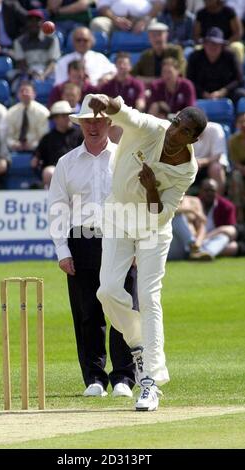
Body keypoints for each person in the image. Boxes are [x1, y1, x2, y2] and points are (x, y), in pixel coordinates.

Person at [88, 94, 207, 411]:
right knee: (108, 291)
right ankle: (138, 345)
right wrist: (106, 103)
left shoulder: (187, 169)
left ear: (193, 139)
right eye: (176, 122)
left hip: (154, 228)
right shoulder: (154, 128)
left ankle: (151, 381)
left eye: (183, 131)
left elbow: (162, 213)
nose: (174, 131)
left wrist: (152, 187)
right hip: (117, 217)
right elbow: (128, 115)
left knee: (149, 296)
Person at [48, 94, 138, 398]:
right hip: (82, 241)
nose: (93, 126)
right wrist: (62, 250)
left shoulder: (125, 157)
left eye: (99, 120)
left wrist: (139, 245)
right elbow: (57, 207)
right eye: (88, 121)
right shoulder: (66, 162)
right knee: (88, 314)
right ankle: (95, 379)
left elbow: (137, 203)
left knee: (123, 310)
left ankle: (124, 378)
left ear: (110, 122)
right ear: (81, 124)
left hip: (121, 239)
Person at [187, 27, 245, 105]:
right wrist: (203, 93)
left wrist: (223, 91)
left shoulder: (230, 56)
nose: (212, 46)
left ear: (222, 46)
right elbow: (190, 80)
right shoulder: (195, 56)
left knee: (240, 94)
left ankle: (240, 117)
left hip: (227, 94)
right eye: (209, 43)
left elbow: (239, 79)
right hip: (200, 95)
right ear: (204, 44)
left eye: (216, 44)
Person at [32, 100, 83, 188]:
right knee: (48, 172)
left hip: (78, 170)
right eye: (64, 116)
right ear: (55, 118)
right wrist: (35, 159)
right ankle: (53, 199)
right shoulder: (47, 138)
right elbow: (37, 158)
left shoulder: (80, 134)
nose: (67, 118)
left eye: (69, 115)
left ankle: (77, 199)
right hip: (56, 172)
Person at [132, 20, 185, 85]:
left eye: (160, 34)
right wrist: (154, 80)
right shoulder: (146, 55)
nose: (157, 38)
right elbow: (132, 76)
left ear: (166, 35)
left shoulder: (175, 51)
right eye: (153, 35)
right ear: (149, 38)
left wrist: (155, 81)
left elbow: (180, 74)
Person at [5, 80, 49, 151]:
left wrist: (32, 145)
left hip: (37, 150)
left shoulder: (43, 112)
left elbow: (44, 137)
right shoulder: (11, 112)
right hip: (15, 149)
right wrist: (14, 144)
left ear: (34, 94)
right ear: (18, 95)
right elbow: (8, 136)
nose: (24, 93)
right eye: (22, 91)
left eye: (27, 91)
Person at [228, 112, 245, 222]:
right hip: (241, 169)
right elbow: (234, 161)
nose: (243, 124)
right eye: (240, 122)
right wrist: (242, 169)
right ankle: (239, 213)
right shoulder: (233, 140)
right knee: (236, 176)